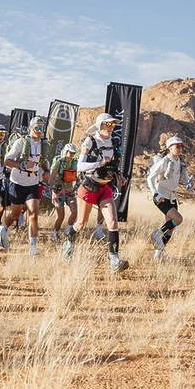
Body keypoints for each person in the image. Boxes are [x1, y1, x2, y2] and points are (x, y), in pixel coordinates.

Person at [64, 112, 129, 273]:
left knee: (113, 223)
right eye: (108, 124)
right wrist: (99, 163)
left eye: (113, 124)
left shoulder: (114, 142)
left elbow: (113, 164)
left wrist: (119, 176)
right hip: (88, 187)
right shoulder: (90, 141)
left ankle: (114, 260)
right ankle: (69, 242)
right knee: (81, 224)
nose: (111, 127)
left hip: (105, 188)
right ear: (100, 125)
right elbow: (80, 166)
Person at [0, 116, 49, 256]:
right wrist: (22, 165)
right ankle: (3, 228)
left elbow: (44, 162)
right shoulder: (20, 143)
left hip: (33, 183)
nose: (40, 131)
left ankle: (33, 247)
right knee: (15, 214)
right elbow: (7, 161)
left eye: (42, 128)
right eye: (37, 128)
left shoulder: (43, 145)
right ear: (30, 129)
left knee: (34, 213)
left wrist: (46, 171)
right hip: (17, 183)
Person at [146, 136, 194, 260]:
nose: (180, 149)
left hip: (172, 197)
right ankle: (156, 233)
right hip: (161, 197)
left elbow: (184, 177)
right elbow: (150, 178)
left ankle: (159, 253)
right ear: (169, 148)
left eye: (181, 146)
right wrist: (155, 194)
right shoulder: (164, 161)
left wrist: (189, 182)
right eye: (177, 146)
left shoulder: (180, 162)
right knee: (178, 219)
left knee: (170, 228)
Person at [48, 143, 79, 243]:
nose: (72, 155)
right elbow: (52, 177)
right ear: (65, 152)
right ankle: (55, 233)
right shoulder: (59, 161)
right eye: (70, 153)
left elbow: (78, 176)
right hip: (59, 191)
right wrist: (54, 189)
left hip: (70, 191)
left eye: (73, 153)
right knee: (61, 216)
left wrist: (76, 187)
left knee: (75, 212)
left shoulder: (75, 162)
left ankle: (68, 231)